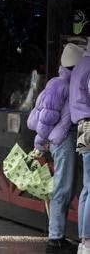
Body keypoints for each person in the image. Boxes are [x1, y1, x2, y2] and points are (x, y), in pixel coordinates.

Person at [28, 43, 82, 253]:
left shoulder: (60, 83)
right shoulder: (61, 85)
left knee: (66, 187)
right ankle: (55, 237)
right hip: (63, 140)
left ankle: (58, 235)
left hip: (66, 139)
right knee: (63, 188)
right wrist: (40, 145)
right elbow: (46, 118)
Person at [70, 40, 90, 254]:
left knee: (87, 187)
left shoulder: (79, 67)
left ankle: (83, 242)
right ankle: (88, 241)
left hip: (82, 127)